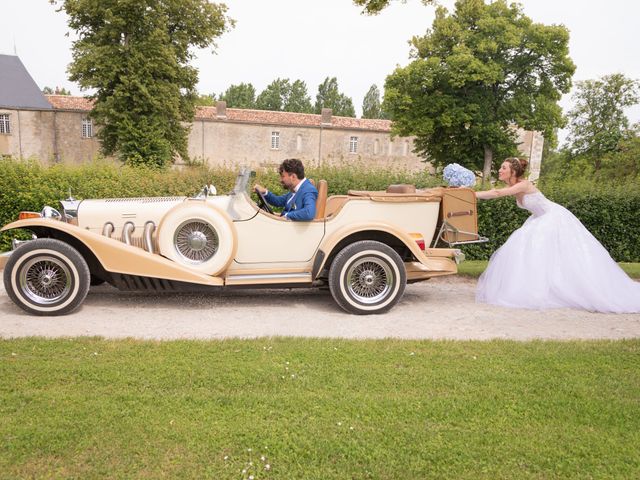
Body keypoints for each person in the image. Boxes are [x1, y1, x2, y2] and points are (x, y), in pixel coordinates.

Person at [475, 157, 640, 313]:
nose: (500, 170)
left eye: (504, 168)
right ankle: (537, 287)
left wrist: (473, 194)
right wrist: (470, 193)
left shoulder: (523, 185)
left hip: (552, 217)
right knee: (527, 247)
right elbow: (494, 192)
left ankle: (556, 288)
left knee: (536, 246)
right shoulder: (513, 186)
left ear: (513, 172)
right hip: (540, 218)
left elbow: (497, 193)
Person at [254, 158, 318, 221]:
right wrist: (264, 192)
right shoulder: (296, 189)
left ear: (293, 177)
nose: (280, 180)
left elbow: (309, 213)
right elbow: (278, 201)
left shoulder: (309, 190)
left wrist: (287, 215)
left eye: (283, 176)